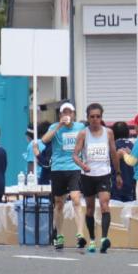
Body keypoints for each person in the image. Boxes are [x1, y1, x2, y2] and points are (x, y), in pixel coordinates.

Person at [72, 103, 119, 253]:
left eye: (98, 116)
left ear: (101, 117)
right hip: (88, 176)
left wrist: (118, 173)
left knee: (105, 205)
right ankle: (92, 239)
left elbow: (113, 153)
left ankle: (104, 239)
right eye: (92, 117)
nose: (95, 119)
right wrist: (82, 165)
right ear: (87, 117)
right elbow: (75, 155)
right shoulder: (83, 134)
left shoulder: (108, 133)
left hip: (104, 174)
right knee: (90, 209)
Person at [41, 102, 87, 249]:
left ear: (74, 114)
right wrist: (59, 126)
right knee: (59, 202)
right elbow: (44, 140)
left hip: (74, 167)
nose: (67, 115)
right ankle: (59, 235)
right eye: (64, 113)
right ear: (60, 115)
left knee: (75, 198)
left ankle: (80, 234)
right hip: (58, 168)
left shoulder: (80, 127)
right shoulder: (54, 127)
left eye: (70, 112)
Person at [111, 121, 136, 202]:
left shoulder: (113, 145)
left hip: (117, 183)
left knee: (116, 210)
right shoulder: (133, 145)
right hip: (131, 184)